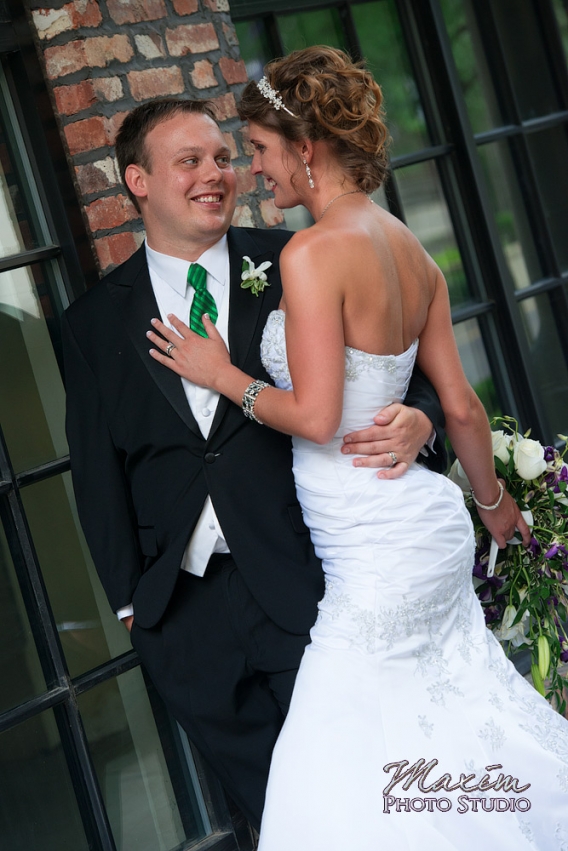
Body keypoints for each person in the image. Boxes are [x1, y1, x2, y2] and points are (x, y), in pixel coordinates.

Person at [146, 49, 568, 849]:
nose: (254, 171)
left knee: (329, 754)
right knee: (440, 720)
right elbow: (464, 407)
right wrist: (494, 504)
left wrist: (222, 372)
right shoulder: (411, 249)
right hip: (426, 523)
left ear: (305, 147)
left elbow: (315, 415)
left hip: (374, 542)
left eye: (261, 149)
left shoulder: (309, 255)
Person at [61, 97, 447, 830]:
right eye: (191, 162)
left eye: (224, 158)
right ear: (138, 181)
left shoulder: (295, 255)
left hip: (309, 581)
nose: (217, 174)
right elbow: (96, 468)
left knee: (360, 796)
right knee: (268, 819)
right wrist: (132, 604)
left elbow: (401, 358)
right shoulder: (89, 323)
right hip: (186, 614)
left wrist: (423, 416)